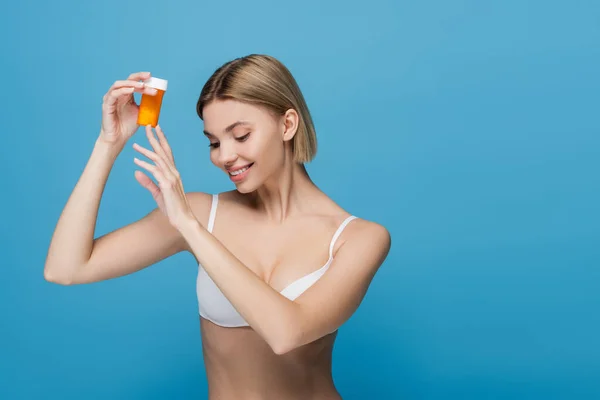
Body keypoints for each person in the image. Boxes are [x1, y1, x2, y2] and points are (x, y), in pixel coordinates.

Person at [44, 54, 391, 399]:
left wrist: (190, 229)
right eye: (213, 142)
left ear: (287, 125)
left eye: (240, 135)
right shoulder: (201, 212)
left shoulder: (358, 238)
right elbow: (66, 267)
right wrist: (108, 144)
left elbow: (286, 333)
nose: (224, 156)